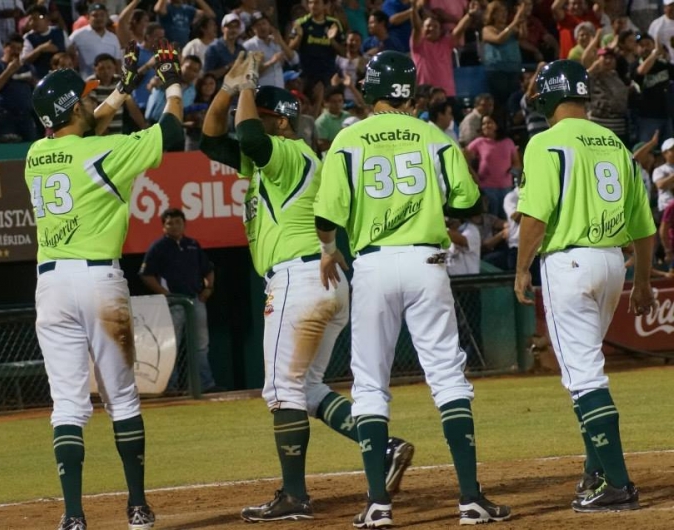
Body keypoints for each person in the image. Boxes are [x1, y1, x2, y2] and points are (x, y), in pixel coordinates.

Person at [199, 51, 415, 523]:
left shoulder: (289, 151)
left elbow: (251, 135)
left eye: (259, 114)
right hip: (322, 280)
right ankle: (384, 446)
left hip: (299, 279)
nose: (244, 120)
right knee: (308, 386)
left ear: (280, 122)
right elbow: (210, 139)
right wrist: (227, 90)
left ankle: (294, 496)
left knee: (281, 390)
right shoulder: (270, 164)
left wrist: (250, 84)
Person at [314, 50, 510, 528]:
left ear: (370, 87)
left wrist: (325, 247)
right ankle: (470, 499)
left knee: (369, 384)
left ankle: (378, 504)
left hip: (374, 264)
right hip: (427, 261)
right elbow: (467, 200)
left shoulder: (349, 137)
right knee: (447, 376)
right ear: (410, 91)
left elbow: (326, 216)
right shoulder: (431, 134)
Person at [26, 38, 184, 530]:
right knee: (121, 397)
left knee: (68, 405)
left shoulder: (35, 153)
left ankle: (73, 516)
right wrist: (173, 83)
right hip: (99, 279)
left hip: (51, 286)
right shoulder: (106, 150)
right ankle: (136, 506)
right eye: (87, 98)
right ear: (74, 108)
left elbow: (81, 125)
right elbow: (173, 135)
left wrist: (124, 88)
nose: (95, 102)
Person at [514, 59, 656, 513]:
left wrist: (521, 269)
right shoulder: (616, 143)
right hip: (614, 264)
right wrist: (644, 282)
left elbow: (534, 217)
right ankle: (595, 472)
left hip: (569, 263)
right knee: (588, 369)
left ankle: (616, 484)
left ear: (551, 98)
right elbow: (645, 226)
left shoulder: (544, 142)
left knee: (584, 377)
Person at [140, 208, 222, 394]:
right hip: (174, 303)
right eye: (170, 223)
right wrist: (165, 293)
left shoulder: (192, 244)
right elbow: (146, 274)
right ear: (163, 227)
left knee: (201, 345)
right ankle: (171, 386)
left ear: (184, 224)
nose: (175, 226)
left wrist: (208, 288)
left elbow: (208, 269)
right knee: (171, 346)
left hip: (196, 301)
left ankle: (205, 384)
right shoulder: (158, 247)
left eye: (178, 222)